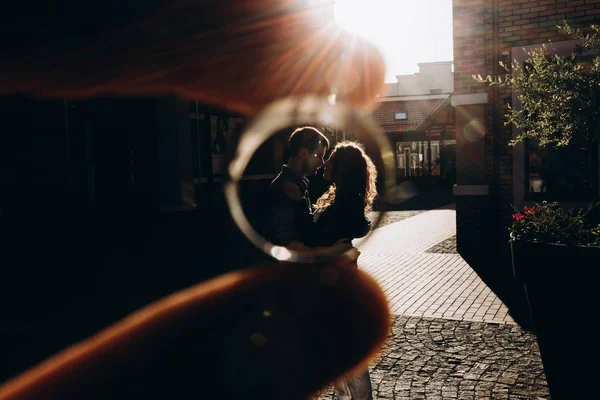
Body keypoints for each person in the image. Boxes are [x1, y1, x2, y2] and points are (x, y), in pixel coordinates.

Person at [0, 1, 389, 399]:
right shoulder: (285, 190)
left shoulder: (303, 189)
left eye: (328, 158)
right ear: (303, 154)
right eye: (319, 154)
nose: (322, 161)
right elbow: (287, 240)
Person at [284, 141, 378, 400]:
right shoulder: (342, 197)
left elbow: (314, 237)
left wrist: (297, 202)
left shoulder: (345, 204)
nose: (325, 163)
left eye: (331, 159)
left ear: (342, 168)